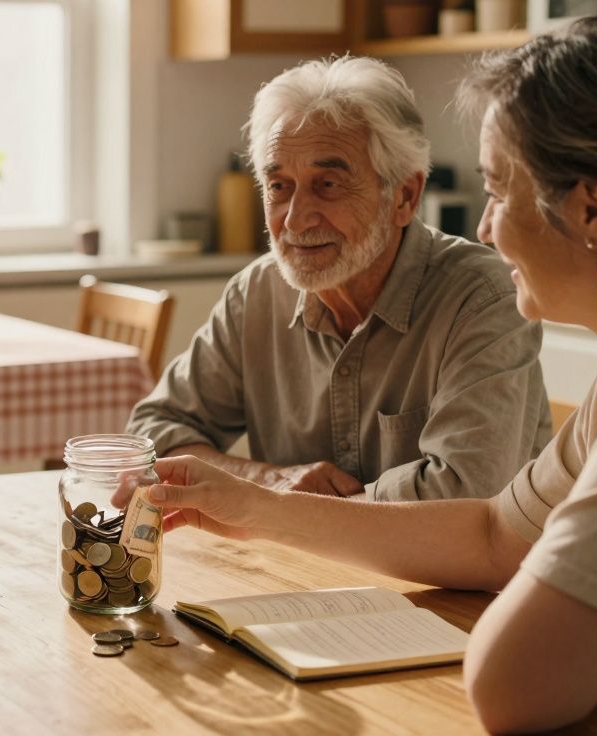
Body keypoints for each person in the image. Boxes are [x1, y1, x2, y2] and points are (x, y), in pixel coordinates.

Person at [131, 14, 597, 734]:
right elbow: (495, 536)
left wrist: (577, 628)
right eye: (279, 186)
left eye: (499, 190)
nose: (486, 226)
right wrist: (257, 503)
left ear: (592, 208)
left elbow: (510, 685)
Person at [127, 55, 549, 502]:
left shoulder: (483, 298)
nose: (295, 220)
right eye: (278, 186)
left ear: (404, 196)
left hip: (456, 575)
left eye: (327, 184)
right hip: (293, 569)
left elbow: (466, 496)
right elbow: (152, 435)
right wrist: (269, 481)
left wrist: (287, 508)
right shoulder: (256, 294)